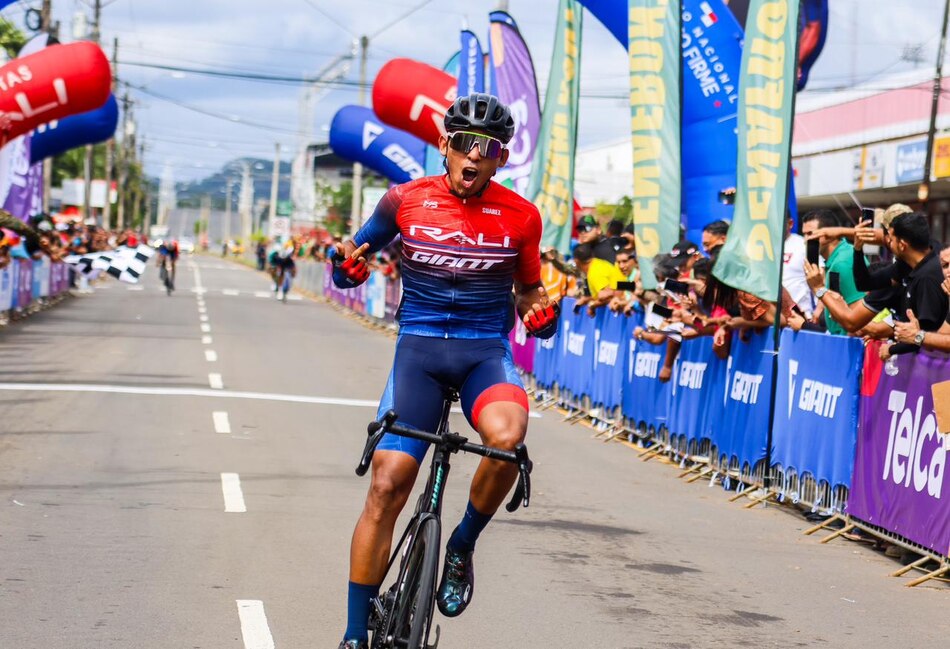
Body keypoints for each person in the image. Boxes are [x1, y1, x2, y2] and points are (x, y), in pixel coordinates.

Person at [331, 93, 558, 649]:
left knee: (507, 441)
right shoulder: (402, 201)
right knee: (387, 486)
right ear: (445, 146)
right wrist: (346, 269)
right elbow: (351, 258)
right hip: (420, 352)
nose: (473, 157)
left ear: (500, 159)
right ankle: (355, 634)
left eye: (487, 149)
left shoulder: (522, 216)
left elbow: (530, 290)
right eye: (464, 145)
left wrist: (541, 312)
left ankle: (460, 544)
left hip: (484, 350)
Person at [805, 212, 947, 357]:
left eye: (890, 239)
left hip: (930, 364)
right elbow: (865, 283)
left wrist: (819, 289)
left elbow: (923, 335)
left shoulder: (928, 277)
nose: (887, 242)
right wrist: (858, 249)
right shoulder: (905, 265)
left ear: (902, 245)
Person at [801, 209, 865, 335]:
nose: (805, 240)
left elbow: (859, 322)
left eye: (810, 234)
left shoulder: (843, 263)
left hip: (847, 345)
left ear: (829, 233)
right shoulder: (836, 260)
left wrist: (818, 289)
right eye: (804, 234)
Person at [571, 241, 626, 315]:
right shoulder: (597, 264)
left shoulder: (594, 271)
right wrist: (587, 299)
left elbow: (608, 294)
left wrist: (593, 305)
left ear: (576, 261)